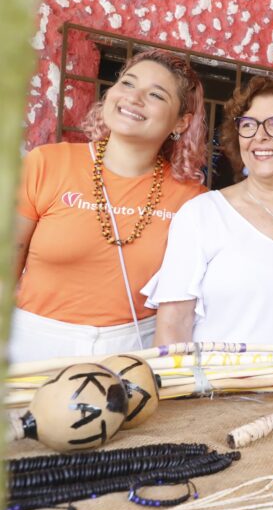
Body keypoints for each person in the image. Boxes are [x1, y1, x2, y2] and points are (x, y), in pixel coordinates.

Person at [11, 50, 207, 363]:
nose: (134, 98)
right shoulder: (46, 164)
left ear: (181, 122)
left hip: (133, 352)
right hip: (33, 346)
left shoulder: (193, 199)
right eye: (127, 83)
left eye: (156, 94)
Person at [145, 78, 273, 346]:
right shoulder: (202, 214)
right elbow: (174, 325)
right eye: (248, 125)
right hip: (214, 386)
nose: (259, 136)